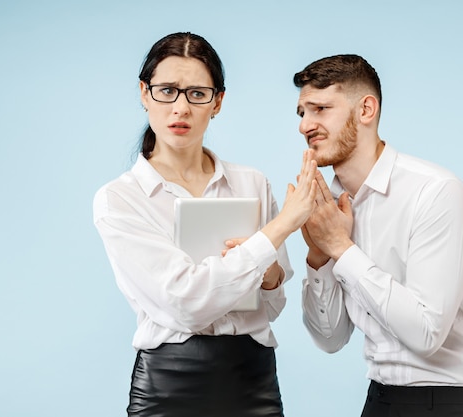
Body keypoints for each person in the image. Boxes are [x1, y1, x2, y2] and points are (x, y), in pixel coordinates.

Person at [93, 32, 318, 417]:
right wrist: (280, 227)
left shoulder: (252, 183)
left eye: (197, 94)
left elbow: (272, 305)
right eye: (167, 90)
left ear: (218, 102)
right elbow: (187, 304)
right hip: (169, 388)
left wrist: (268, 275)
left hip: (255, 382)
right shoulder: (120, 199)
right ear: (145, 94)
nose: (181, 108)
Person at [294, 54, 463, 417]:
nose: (305, 125)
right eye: (301, 113)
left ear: (366, 110)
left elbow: (426, 333)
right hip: (380, 399)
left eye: (320, 108)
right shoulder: (334, 209)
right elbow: (330, 339)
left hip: (449, 400)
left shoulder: (436, 193)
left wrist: (342, 248)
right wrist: (319, 256)